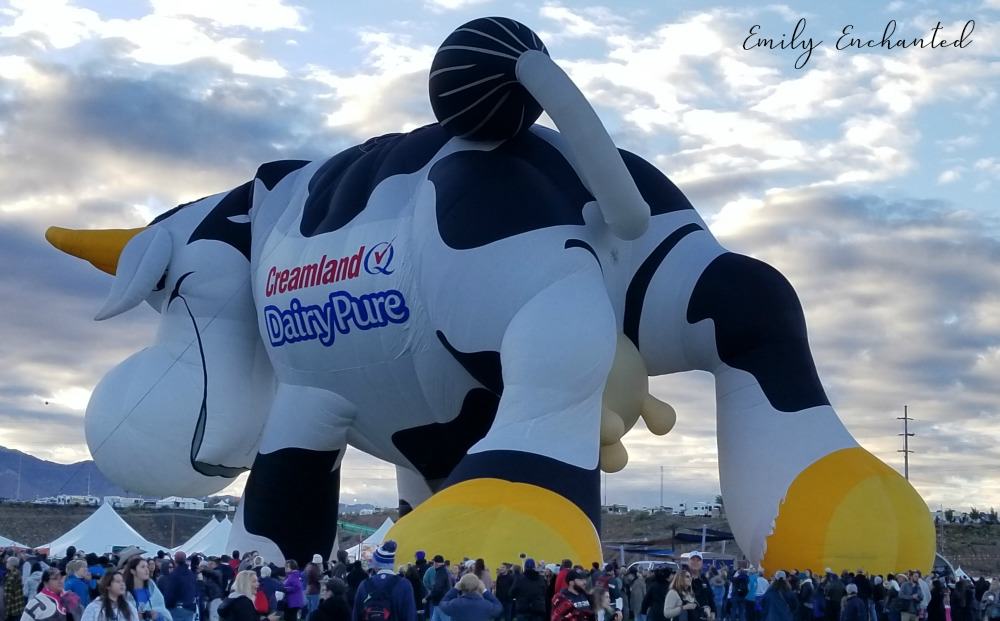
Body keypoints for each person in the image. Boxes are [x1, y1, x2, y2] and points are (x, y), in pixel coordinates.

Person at [352, 542, 415, 621]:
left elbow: (356, 615)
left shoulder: (364, 584)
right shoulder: (404, 585)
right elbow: (410, 615)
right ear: (392, 563)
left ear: (376, 564)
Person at [161, 554, 197, 621]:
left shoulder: (174, 575)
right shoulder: (191, 574)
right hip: (189, 608)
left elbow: (170, 593)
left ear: (175, 560)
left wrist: (166, 605)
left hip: (176, 608)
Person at [5, 557, 27, 621]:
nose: (6, 563)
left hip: (12, 608)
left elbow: (8, 596)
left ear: (11, 564)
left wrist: (6, 612)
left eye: (7, 562)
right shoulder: (18, 573)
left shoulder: (10, 577)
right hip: (19, 606)